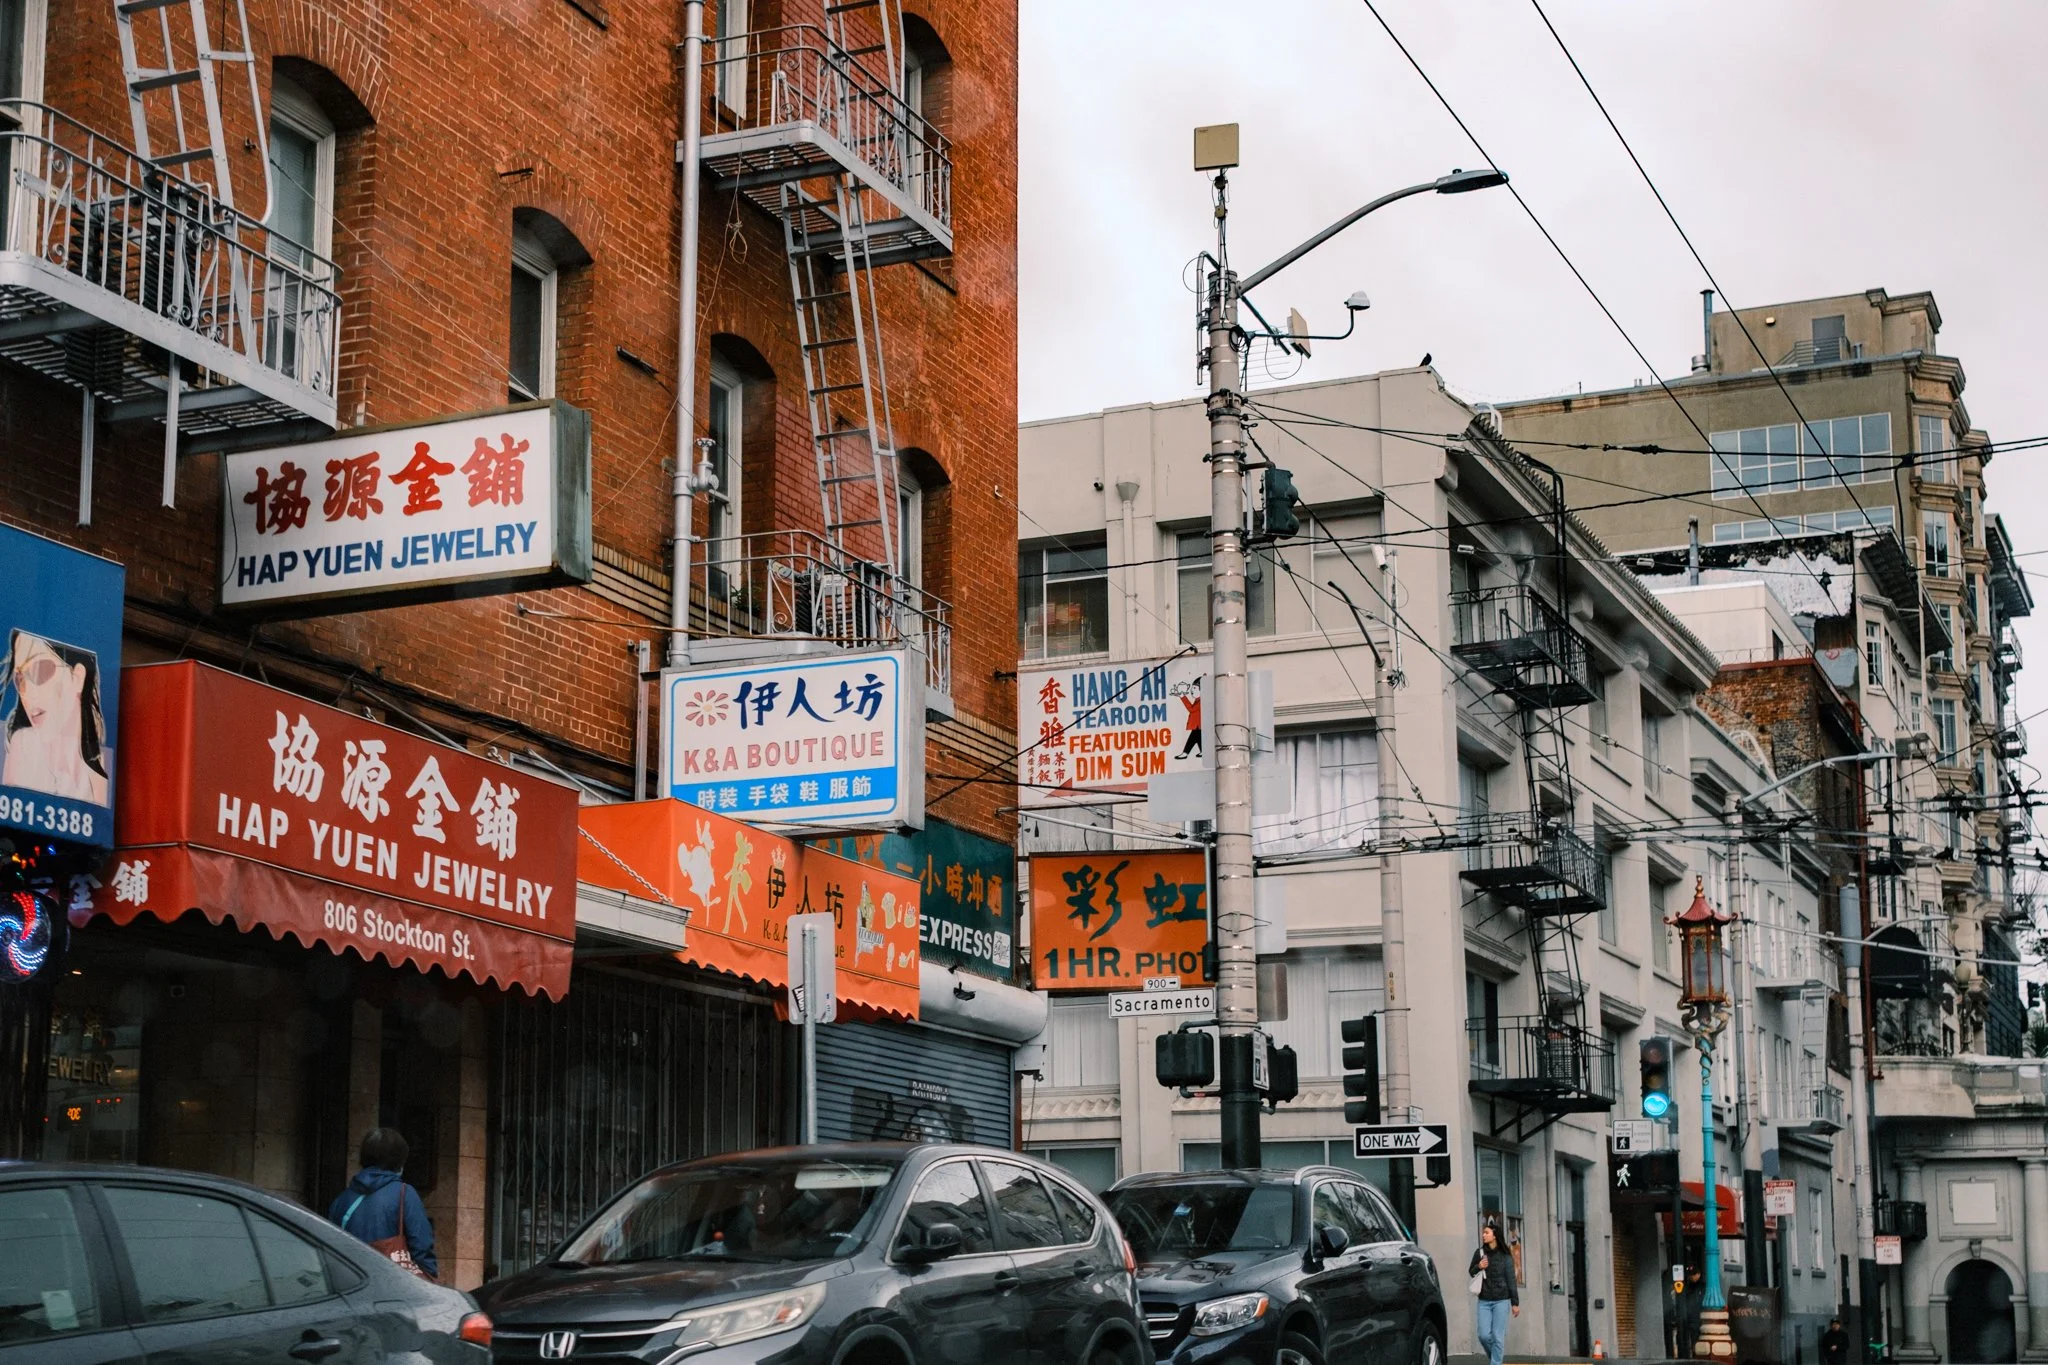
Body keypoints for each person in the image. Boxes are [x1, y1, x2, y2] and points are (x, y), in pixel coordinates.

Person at [2, 630, 109, 804]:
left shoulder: (101, 785)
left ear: (77, 677)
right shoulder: (21, 748)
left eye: (40, 671)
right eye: (20, 679)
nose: (27, 694)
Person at [328, 1127, 437, 1279]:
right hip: (391, 1285)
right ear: (399, 1161)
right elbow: (421, 1244)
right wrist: (429, 1277)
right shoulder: (404, 1193)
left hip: (352, 1285)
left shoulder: (341, 1201)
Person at [1469, 1221, 1519, 1365]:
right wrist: (1479, 1266)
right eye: (1483, 1233)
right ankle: (1496, 1359)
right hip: (1484, 1300)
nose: (1483, 1235)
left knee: (1498, 1337)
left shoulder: (1505, 1256)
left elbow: (1511, 1280)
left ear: (1494, 1235)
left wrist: (1515, 1303)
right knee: (1483, 1335)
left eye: (1487, 1232)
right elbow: (1471, 1272)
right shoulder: (1479, 1253)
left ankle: (1495, 1363)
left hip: (1501, 1301)